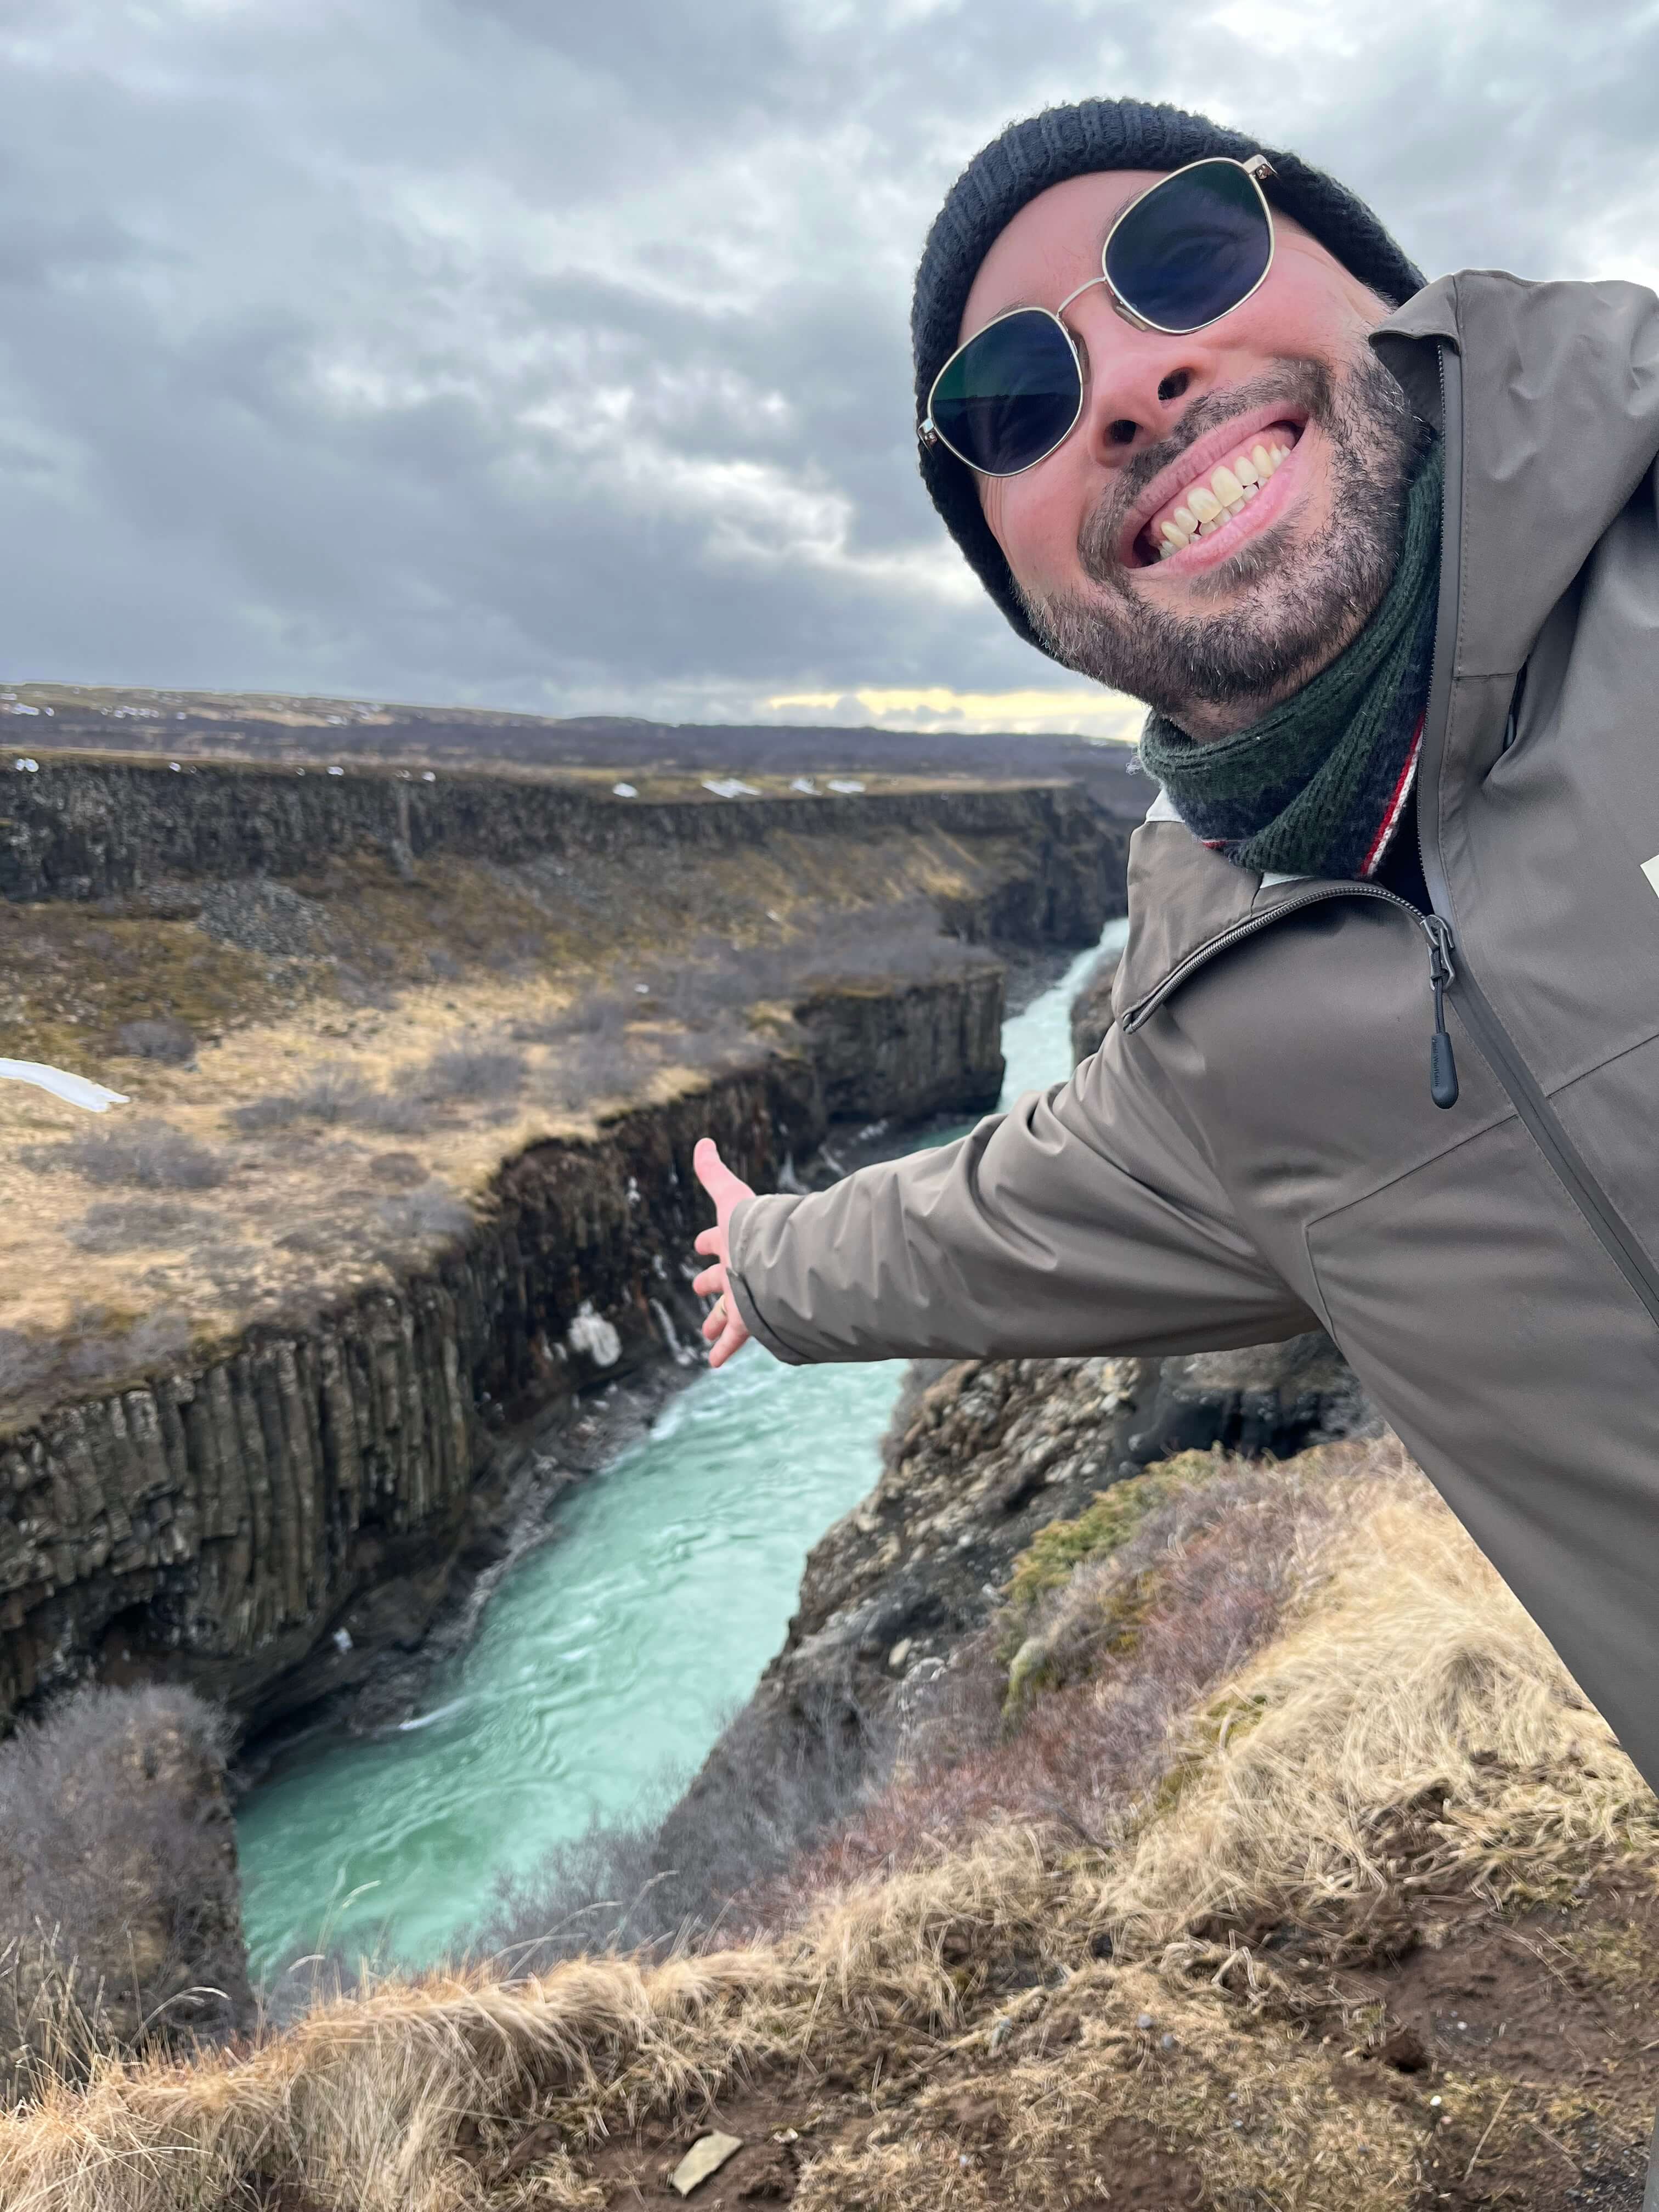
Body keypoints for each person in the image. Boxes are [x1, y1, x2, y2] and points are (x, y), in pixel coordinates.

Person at [691, 97, 1659, 2192]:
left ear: (1369, 289)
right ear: (1023, 588)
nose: (1132, 380)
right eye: (1020, 399)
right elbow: (980, 1218)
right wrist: (765, 1263)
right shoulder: (1217, 1048)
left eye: (1191, 260)